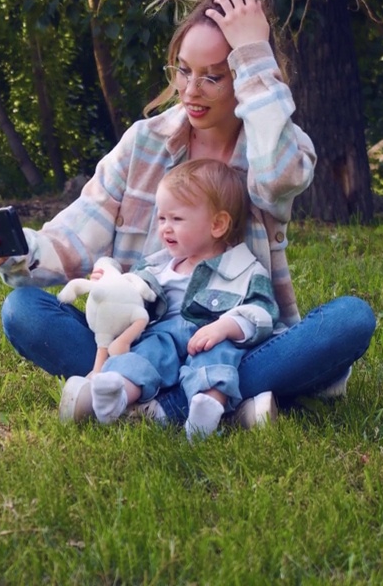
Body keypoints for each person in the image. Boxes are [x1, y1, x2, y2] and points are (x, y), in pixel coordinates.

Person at [0, 0, 375, 426]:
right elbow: (75, 237)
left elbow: (281, 178)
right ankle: (220, 406)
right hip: (138, 334)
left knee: (350, 319)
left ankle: (143, 401)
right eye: (183, 71)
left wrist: (255, 52)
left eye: (212, 77)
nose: (190, 90)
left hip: (231, 343)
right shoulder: (146, 141)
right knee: (22, 310)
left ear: (242, 76)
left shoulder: (273, 148)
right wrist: (18, 250)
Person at [79, 159, 280, 442]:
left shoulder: (244, 269)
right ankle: (117, 393)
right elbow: (129, 297)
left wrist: (225, 327)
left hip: (209, 339)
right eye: (162, 218)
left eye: (177, 219)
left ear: (218, 224)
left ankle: (206, 408)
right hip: (163, 338)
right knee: (145, 355)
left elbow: (263, 312)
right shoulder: (157, 266)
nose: (165, 228)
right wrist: (110, 281)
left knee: (217, 360)